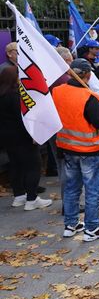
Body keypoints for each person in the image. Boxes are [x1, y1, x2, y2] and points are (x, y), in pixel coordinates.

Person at [53, 59, 99, 241]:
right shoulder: (89, 96)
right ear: (88, 75)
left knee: (72, 188)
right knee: (93, 190)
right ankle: (92, 227)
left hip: (67, 148)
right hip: (90, 150)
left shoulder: (57, 92)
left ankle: (71, 225)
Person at [0, 65, 51, 210]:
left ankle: (19, 196)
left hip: (6, 138)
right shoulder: (15, 96)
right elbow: (22, 118)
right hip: (22, 136)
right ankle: (32, 199)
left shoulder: (3, 95)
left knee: (15, 165)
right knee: (33, 165)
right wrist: (33, 134)